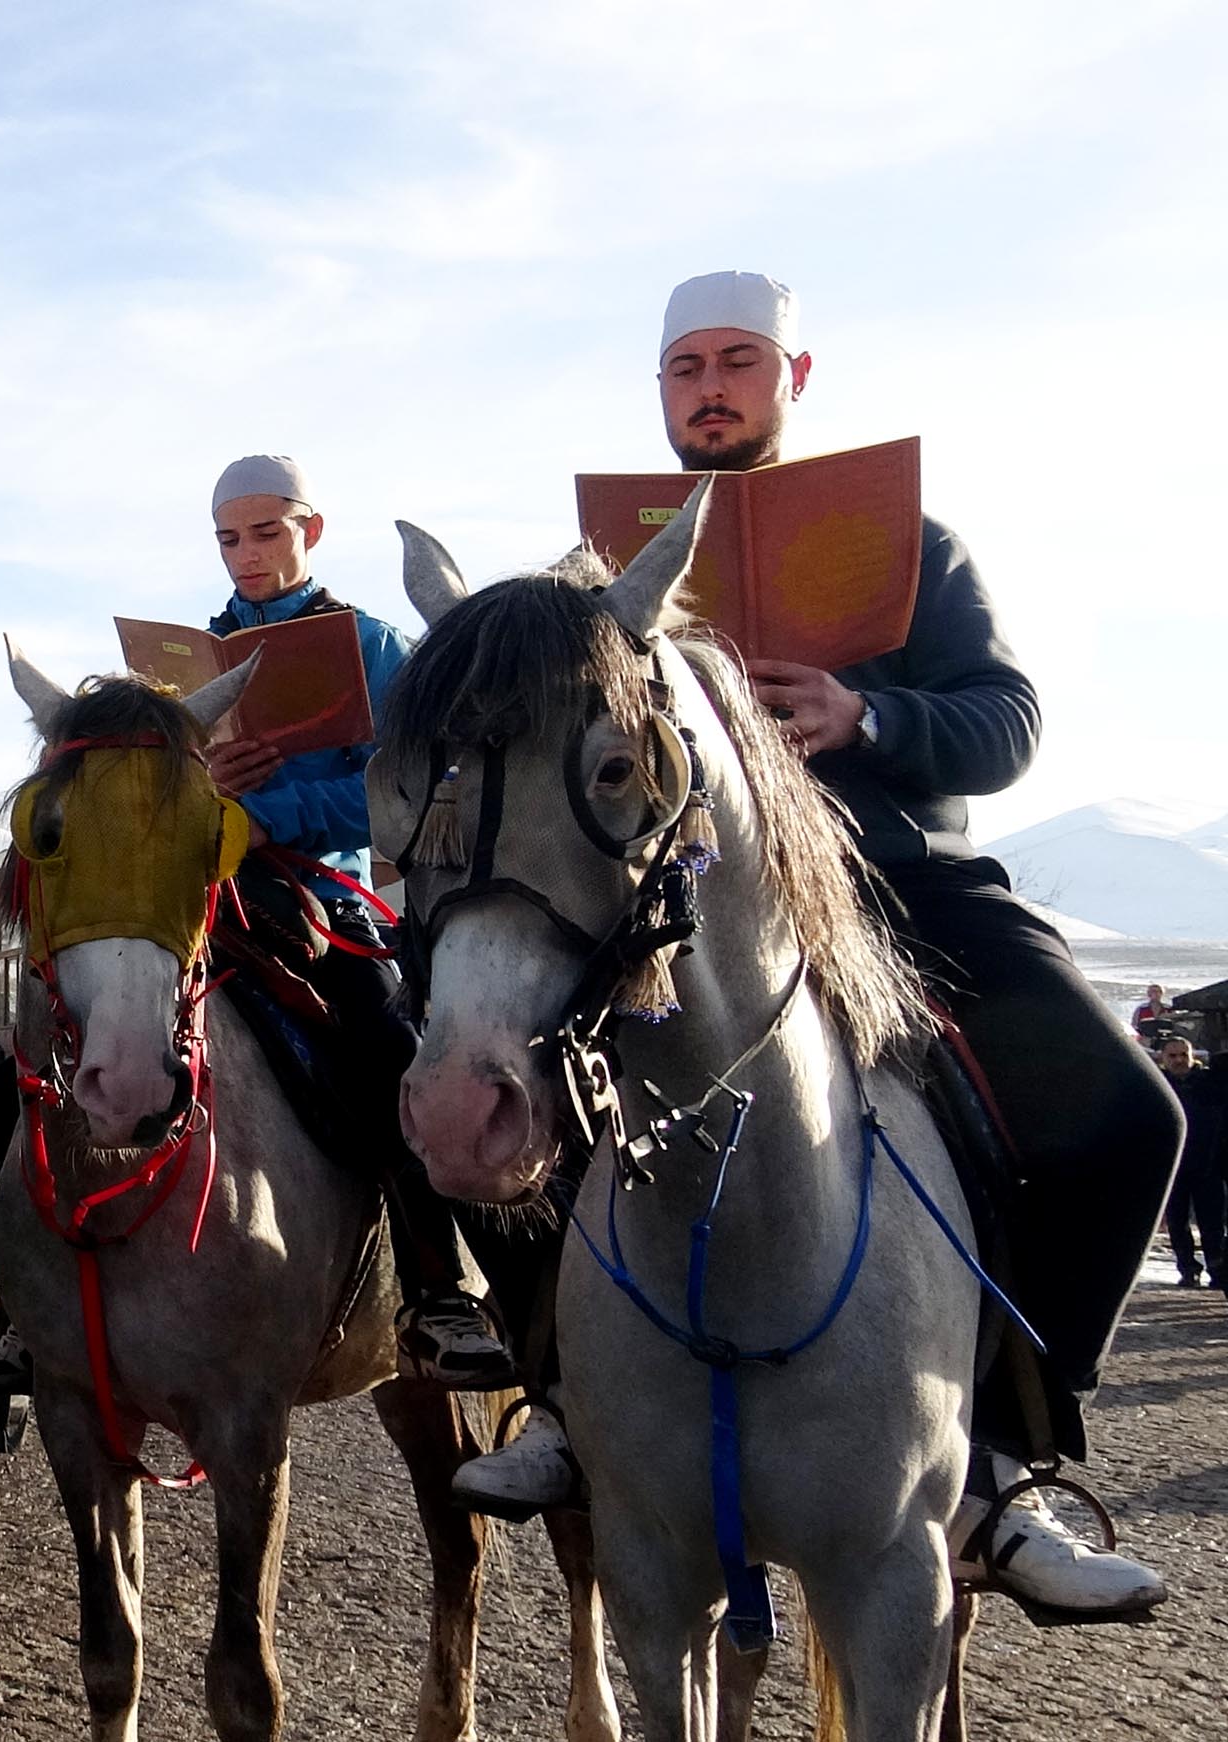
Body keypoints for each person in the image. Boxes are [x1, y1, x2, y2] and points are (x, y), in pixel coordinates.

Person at [455, 269, 1178, 1620]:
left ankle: (1008, 1468)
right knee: (494, 1079)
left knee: (1133, 1117)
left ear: (793, 378)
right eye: (686, 368)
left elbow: (1007, 717)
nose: (711, 386)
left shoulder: (913, 542)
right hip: (678, 912)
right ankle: (558, 1396)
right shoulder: (600, 586)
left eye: (738, 360)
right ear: (663, 392)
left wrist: (868, 715)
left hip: (901, 888)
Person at [195, 455, 514, 1389]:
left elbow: (405, 791)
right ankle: (15, 1292)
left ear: (311, 531)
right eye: (227, 538)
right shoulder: (188, 658)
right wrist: (199, 785)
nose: (244, 555)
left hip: (321, 905)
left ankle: (440, 1292)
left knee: (389, 1050)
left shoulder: (375, 648)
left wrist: (266, 814)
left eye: (264, 533)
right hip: (199, 895)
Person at [1155, 1037, 1223, 1294]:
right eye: (1172, 1056)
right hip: (1174, 1166)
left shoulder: (1209, 1081)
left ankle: (1217, 1270)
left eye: (1183, 1054)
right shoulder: (1160, 1085)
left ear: (1192, 1055)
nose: (1179, 1060)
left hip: (1208, 1163)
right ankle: (1188, 1269)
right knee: (1177, 1221)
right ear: (1163, 1058)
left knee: (1212, 1223)